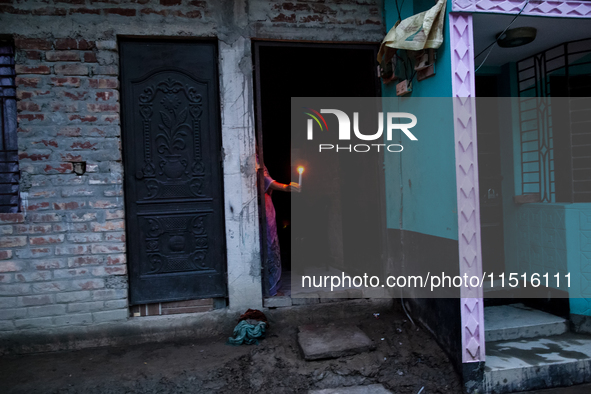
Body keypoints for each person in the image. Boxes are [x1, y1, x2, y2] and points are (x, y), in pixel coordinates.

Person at [258, 154, 300, 296]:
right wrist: (285, 187)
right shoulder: (252, 158)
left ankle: (273, 286)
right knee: (267, 244)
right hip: (261, 205)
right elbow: (264, 179)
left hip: (267, 204)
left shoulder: (258, 157)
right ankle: (269, 289)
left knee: (271, 242)